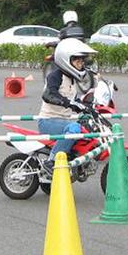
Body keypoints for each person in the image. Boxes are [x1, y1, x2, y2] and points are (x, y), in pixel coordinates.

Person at [37, 38, 98, 175]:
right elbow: (48, 95)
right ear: (66, 60)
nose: (81, 64)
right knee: (74, 128)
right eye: (77, 61)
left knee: (85, 129)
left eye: (82, 61)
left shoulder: (72, 79)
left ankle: (75, 161)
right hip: (48, 121)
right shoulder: (55, 76)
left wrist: (88, 107)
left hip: (62, 121)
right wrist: (68, 103)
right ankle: (51, 161)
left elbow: (74, 99)